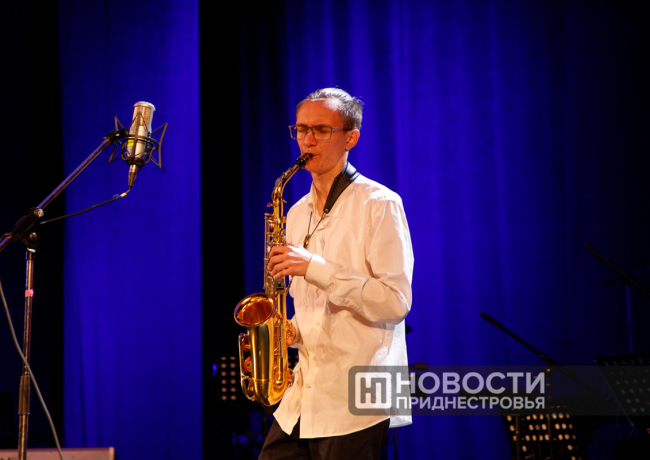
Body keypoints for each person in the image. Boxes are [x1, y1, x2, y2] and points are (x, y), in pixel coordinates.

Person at [260, 88, 414, 460]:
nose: (307, 139)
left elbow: (395, 303)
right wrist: (289, 331)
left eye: (321, 130)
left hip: (357, 396)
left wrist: (316, 268)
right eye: (301, 129)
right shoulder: (296, 212)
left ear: (351, 138)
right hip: (305, 392)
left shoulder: (380, 203)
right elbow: (313, 306)